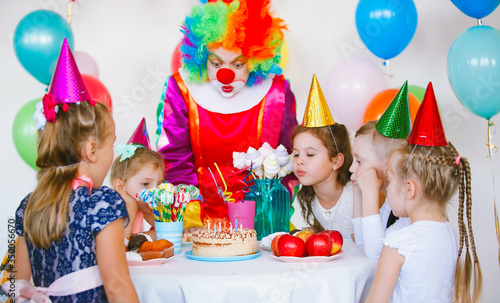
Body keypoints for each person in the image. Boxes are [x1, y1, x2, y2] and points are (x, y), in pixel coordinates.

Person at [5, 40, 146, 303]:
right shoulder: (101, 204)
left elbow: (18, 281)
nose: (112, 152)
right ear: (92, 150)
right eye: (111, 144)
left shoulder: (28, 205)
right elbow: (117, 285)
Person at [156, 0, 297, 227]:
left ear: (254, 60)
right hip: (199, 224)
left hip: (263, 223)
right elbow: (173, 157)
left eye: (238, 64)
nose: (226, 75)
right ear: (202, 57)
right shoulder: (181, 88)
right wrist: (192, 216)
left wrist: (269, 217)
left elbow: (289, 160)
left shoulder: (277, 92)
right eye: (216, 63)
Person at [362, 83, 482, 303]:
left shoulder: (398, 241)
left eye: (391, 181)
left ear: (409, 189)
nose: (387, 185)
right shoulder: (452, 234)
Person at [350, 81, 412, 258]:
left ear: (388, 163)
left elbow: (375, 254)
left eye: (359, 161)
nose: (351, 168)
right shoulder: (388, 204)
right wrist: (358, 191)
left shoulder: (406, 208)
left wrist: (369, 192)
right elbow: (362, 243)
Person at [290, 75, 354, 238]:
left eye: (310, 154)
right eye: (296, 154)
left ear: (336, 160)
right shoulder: (309, 198)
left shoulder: (355, 195)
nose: (299, 161)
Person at [110, 118, 165, 241]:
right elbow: (122, 244)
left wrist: (148, 212)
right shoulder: (116, 207)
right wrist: (131, 206)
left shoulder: (144, 206)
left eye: (159, 185)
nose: (154, 191)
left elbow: (165, 233)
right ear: (120, 186)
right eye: (145, 183)